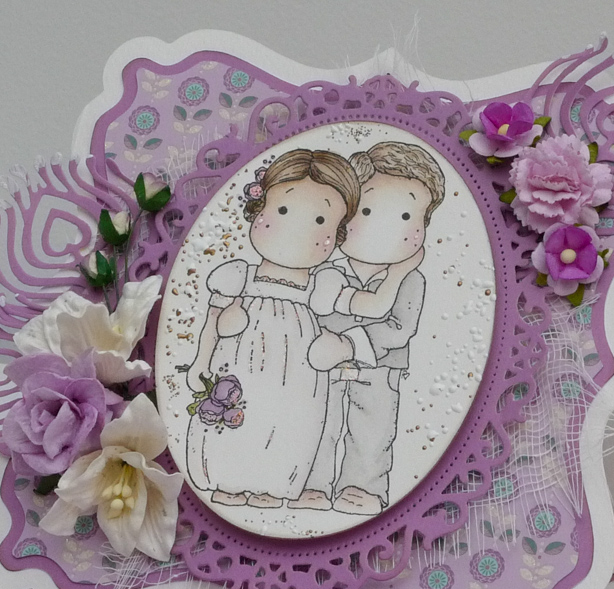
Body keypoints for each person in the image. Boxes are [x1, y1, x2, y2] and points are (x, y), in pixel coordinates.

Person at [186, 149, 360, 508]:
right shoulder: (237, 276)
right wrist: (200, 363)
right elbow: (211, 323)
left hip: (298, 367)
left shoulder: (321, 286)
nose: (298, 228)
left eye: (320, 220)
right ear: (259, 208)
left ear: (338, 233)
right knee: (238, 410)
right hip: (239, 360)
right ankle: (227, 478)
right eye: (282, 211)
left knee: (291, 417)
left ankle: (273, 485)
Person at [291, 141, 446, 515]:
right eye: (369, 211)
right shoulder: (326, 271)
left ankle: (362, 487)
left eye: (407, 217)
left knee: (372, 429)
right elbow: (316, 309)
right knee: (317, 421)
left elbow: (399, 328)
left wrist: (350, 344)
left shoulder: (412, 281)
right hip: (323, 368)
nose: (386, 227)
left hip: (380, 369)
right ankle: (311, 484)